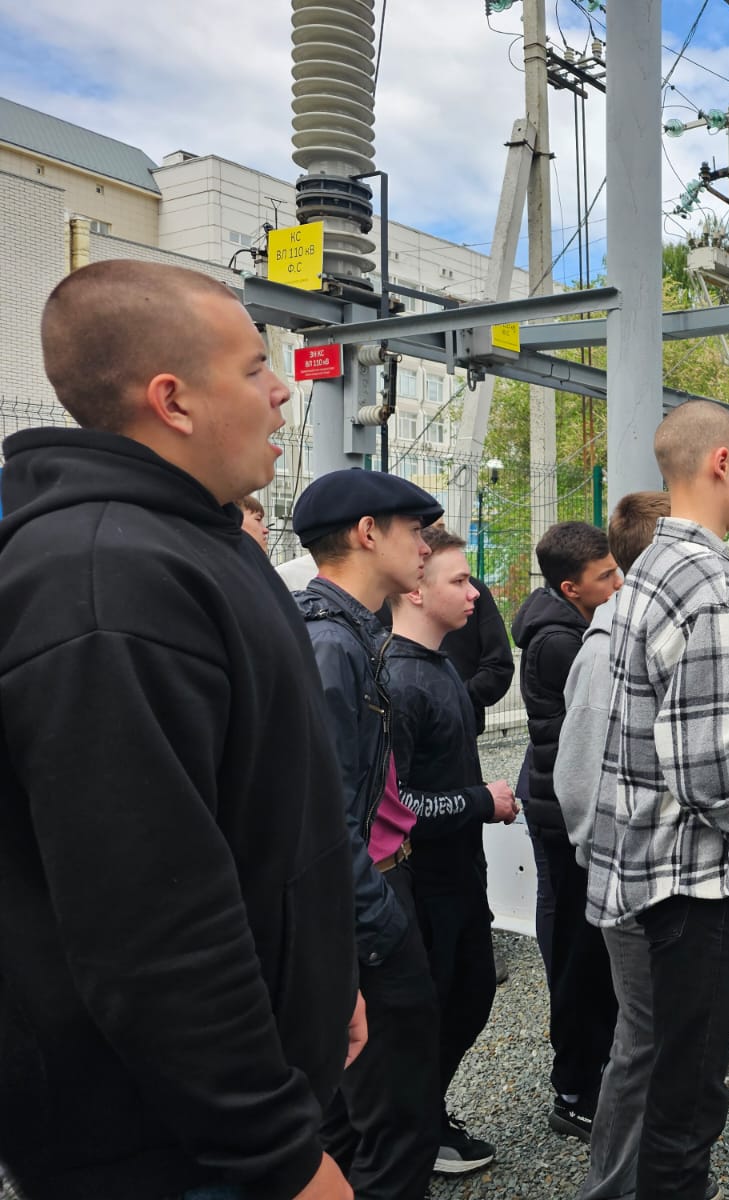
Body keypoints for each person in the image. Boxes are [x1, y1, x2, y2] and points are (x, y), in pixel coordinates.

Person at [0, 259, 359, 1200]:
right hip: (168, 1151)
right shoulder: (102, 581)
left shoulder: (197, 545)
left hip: (225, 1116)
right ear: (173, 400)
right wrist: (277, 1152)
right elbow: (152, 922)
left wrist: (326, 983)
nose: (281, 391)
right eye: (253, 367)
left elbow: (264, 813)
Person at [586, 401, 729, 1200]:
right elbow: (707, 767)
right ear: (721, 463)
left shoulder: (649, 569)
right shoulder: (711, 580)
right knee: (690, 1102)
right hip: (702, 882)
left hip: (656, 871)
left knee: (668, 1079)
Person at [293, 467, 445, 1200]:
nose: (427, 547)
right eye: (415, 531)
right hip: (365, 904)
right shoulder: (334, 644)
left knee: (357, 1114)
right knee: (396, 1117)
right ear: (366, 534)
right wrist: (380, 927)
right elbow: (323, 817)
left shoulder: (350, 634)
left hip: (362, 898)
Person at [386, 523, 520, 1175]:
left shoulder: (440, 669)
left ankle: (424, 1117)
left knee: (470, 994)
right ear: (416, 589)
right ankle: (412, 1134)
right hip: (423, 887)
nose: (475, 594)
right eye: (461, 581)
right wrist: (479, 802)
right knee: (438, 1006)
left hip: (461, 875)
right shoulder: (396, 681)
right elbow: (393, 808)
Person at [554, 489, 673, 1200]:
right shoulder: (607, 649)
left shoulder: (648, 630)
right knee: (642, 1035)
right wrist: (601, 853)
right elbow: (576, 778)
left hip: (659, 871)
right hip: (629, 872)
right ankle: (611, 1185)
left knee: (658, 1032)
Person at [511, 520, 623, 1139]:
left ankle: (586, 1076)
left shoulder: (569, 625)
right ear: (570, 587)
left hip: (558, 806)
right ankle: (576, 1091)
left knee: (580, 947)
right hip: (563, 816)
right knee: (578, 956)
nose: (618, 583)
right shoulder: (564, 642)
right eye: (605, 576)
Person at [439, 570, 515, 736]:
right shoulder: (388, 594)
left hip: (463, 727)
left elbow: (499, 667)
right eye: (459, 581)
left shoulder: (474, 593)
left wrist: (458, 696)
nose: (473, 593)